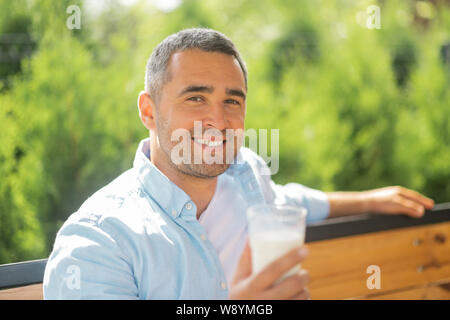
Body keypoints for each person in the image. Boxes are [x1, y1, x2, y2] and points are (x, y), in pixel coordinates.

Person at [43, 28, 435, 300]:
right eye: (196, 98)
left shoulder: (246, 175)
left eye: (232, 100)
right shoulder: (98, 241)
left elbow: (288, 203)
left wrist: (367, 201)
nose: (219, 119)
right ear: (148, 110)